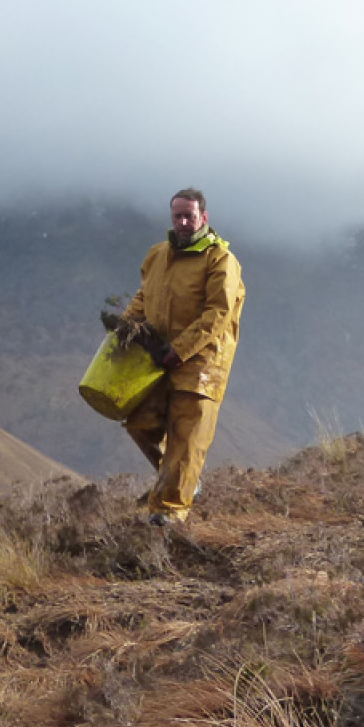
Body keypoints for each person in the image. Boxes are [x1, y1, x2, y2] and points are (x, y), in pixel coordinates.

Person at [118, 188, 244, 524]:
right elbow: (144, 297)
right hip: (158, 357)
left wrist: (180, 350)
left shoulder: (220, 260)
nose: (184, 222)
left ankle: (169, 513)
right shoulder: (157, 255)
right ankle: (185, 481)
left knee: (187, 438)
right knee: (140, 422)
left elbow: (218, 313)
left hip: (203, 363)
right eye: (178, 216)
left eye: (190, 216)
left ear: (204, 217)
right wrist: (125, 329)